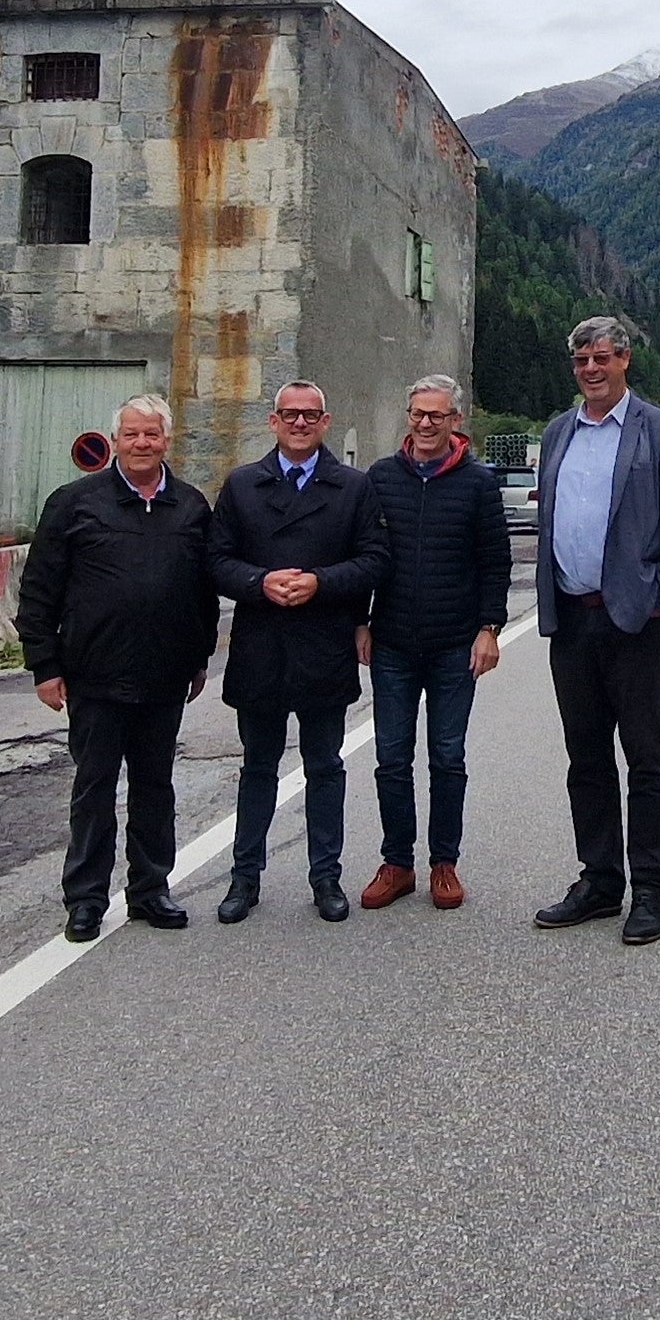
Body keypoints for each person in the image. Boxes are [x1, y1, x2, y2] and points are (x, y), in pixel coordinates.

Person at [16, 394, 218, 943]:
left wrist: (199, 657)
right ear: (115, 441)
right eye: (131, 434)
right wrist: (44, 665)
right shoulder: (74, 503)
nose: (141, 444)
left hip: (164, 676)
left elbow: (202, 592)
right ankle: (85, 899)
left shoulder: (190, 506)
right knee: (94, 789)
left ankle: (151, 890)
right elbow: (39, 590)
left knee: (155, 787)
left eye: (151, 434)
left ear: (167, 440)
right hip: (93, 674)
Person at [529, 315, 660, 945]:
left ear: (624, 359)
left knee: (646, 757)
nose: (591, 370)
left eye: (601, 358)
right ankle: (600, 881)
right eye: (581, 361)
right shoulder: (558, 432)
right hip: (572, 620)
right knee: (586, 758)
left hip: (636, 622)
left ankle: (650, 888)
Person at [209, 379, 388, 925]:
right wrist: (259, 581)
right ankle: (244, 877)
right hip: (260, 646)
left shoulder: (353, 487)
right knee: (257, 767)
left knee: (325, 767)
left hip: (323, 644)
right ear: (274, 422)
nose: (300, 423)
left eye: (310, 415)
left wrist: (320, 582)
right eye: (290, 414)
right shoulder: (242, 485)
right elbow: (215, 560)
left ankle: (326, 877)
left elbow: (375, 559)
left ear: (325, 422)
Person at [355, 373, 512, 911]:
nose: (425, 423)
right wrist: (360, 621)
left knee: (447, 757)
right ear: (409, 416)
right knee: (391, 758)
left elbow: (495, 562)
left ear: (455, 421)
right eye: (418, 414)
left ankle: (444, 863)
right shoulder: (380, 477)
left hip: (454, 645)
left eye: (436, 415)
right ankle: (397, 863)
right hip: (392, 642)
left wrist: (490, 629)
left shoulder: (478, 483)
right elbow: (362, 554)